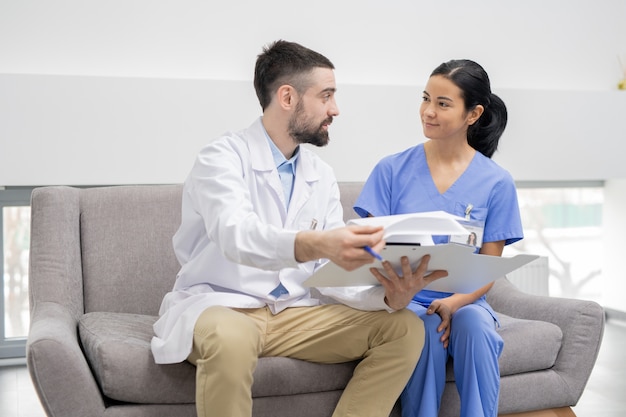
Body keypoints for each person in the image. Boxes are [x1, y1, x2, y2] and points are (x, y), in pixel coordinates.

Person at [150, 40, 447, 417]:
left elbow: (329, 273)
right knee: (232, 338)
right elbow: (236, 234)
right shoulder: (221, 158)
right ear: (287, 97)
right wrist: (319, 243)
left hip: (294, 312)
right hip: (224, 304)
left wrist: (390, 296)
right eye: (326, 96)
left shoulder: (319, 175)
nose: (335, 109)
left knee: (404, 329)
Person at [354, 59, 523, 417]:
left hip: (467, 300)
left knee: (475, 327)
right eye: (426, 98)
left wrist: (455, 303)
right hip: (404, 301)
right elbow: (371, 251)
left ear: (473, 114)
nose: (428, 112)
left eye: (443, 104)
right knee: (425, 328)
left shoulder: (496, 182)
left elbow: (488, 267)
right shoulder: (391, 170)